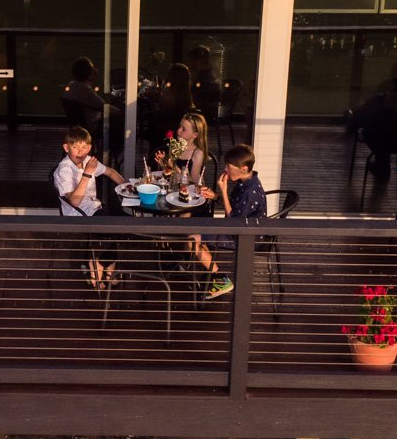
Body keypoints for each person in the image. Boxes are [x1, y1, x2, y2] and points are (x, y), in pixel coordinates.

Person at [189, 144, 267, 299]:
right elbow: (233, 207)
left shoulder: (249, 193)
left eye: (229, 167)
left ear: (243, 168)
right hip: (238, 229)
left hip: (245, 237)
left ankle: (220, 279)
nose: (225, 170)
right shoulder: (246, 181)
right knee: (196, 227)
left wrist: (223, 192)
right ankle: (209, 270)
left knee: (193, 239)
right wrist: (216, 196)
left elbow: (234, 223)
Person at [53, 125, 125, 289]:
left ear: (90, 147)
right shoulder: (64, 170)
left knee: (126, 223)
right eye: (75, 146)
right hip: (78, 215)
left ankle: (102, 262)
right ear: (66, 148)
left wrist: (128, 187)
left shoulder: (87, 161)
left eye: (84, 146)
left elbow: (111, 172)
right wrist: (87, 174)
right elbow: (74, 202)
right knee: (121, 228)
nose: (80, 151)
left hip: (96, 208)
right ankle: (102, 264)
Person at [148, 63, 196, 156]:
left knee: (152, 128)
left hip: (169, 130)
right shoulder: (186, 96)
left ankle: (153, 159)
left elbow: (163, 112)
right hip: (177, 128)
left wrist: (153, 101)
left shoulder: (170, 95)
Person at [154, 112, 208, 184]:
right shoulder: (176, 147)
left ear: (195, 134)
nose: (179, 130)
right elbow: (173, 175)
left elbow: (194, 182)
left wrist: (174, 167)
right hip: (175, 189)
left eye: (183, 129)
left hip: (190, 192)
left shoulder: (197, 154)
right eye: (180, 127)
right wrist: (164, 165)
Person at [188, 45, 221, 118]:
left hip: (204, 112)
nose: (191, 64)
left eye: (193, 61)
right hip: (206, 110)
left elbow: (197, 96)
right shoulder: (207, 75)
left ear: (202, 61)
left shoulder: (205, 78)